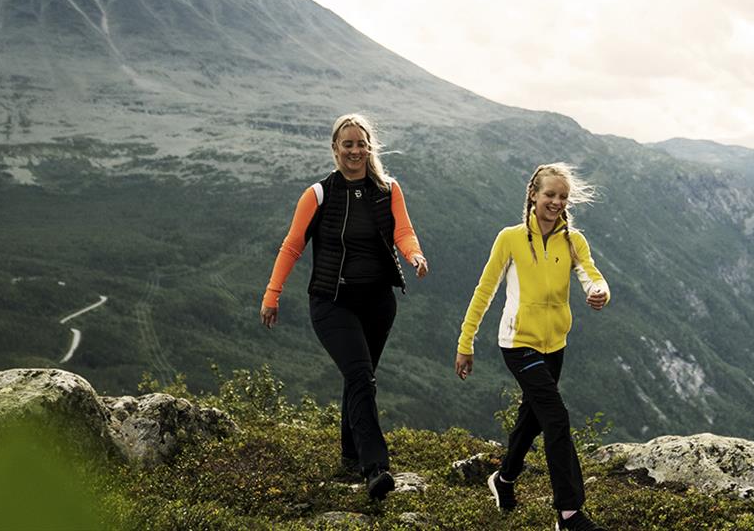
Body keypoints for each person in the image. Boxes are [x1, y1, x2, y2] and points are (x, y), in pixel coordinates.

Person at [259, 113, 429, 500]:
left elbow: (403, 231)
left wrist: (414, 256)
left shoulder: (388, 189)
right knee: (361, 376)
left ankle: (351, 457)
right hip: (331, 301)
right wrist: (273, 293)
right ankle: (376, 469)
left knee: (359, 378)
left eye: (360, 143)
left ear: (370, 147)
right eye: (347, 144)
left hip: (378, 303)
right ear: (335, 148)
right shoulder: (318, 195)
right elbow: (292, 245)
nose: (354, 150)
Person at [455, 162, 611, 531]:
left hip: (554, 344)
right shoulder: (509, 238)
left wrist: (599, 291)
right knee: (556, 417)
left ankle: (503, 479)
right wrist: (466, 342)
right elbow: (485, 291)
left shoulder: (573, 240)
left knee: (531, 421)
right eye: (550, 195)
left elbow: (590, 273)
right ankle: (568, 514)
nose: (556, 202)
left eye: (562, 197)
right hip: (518, 343)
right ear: (533, 195)